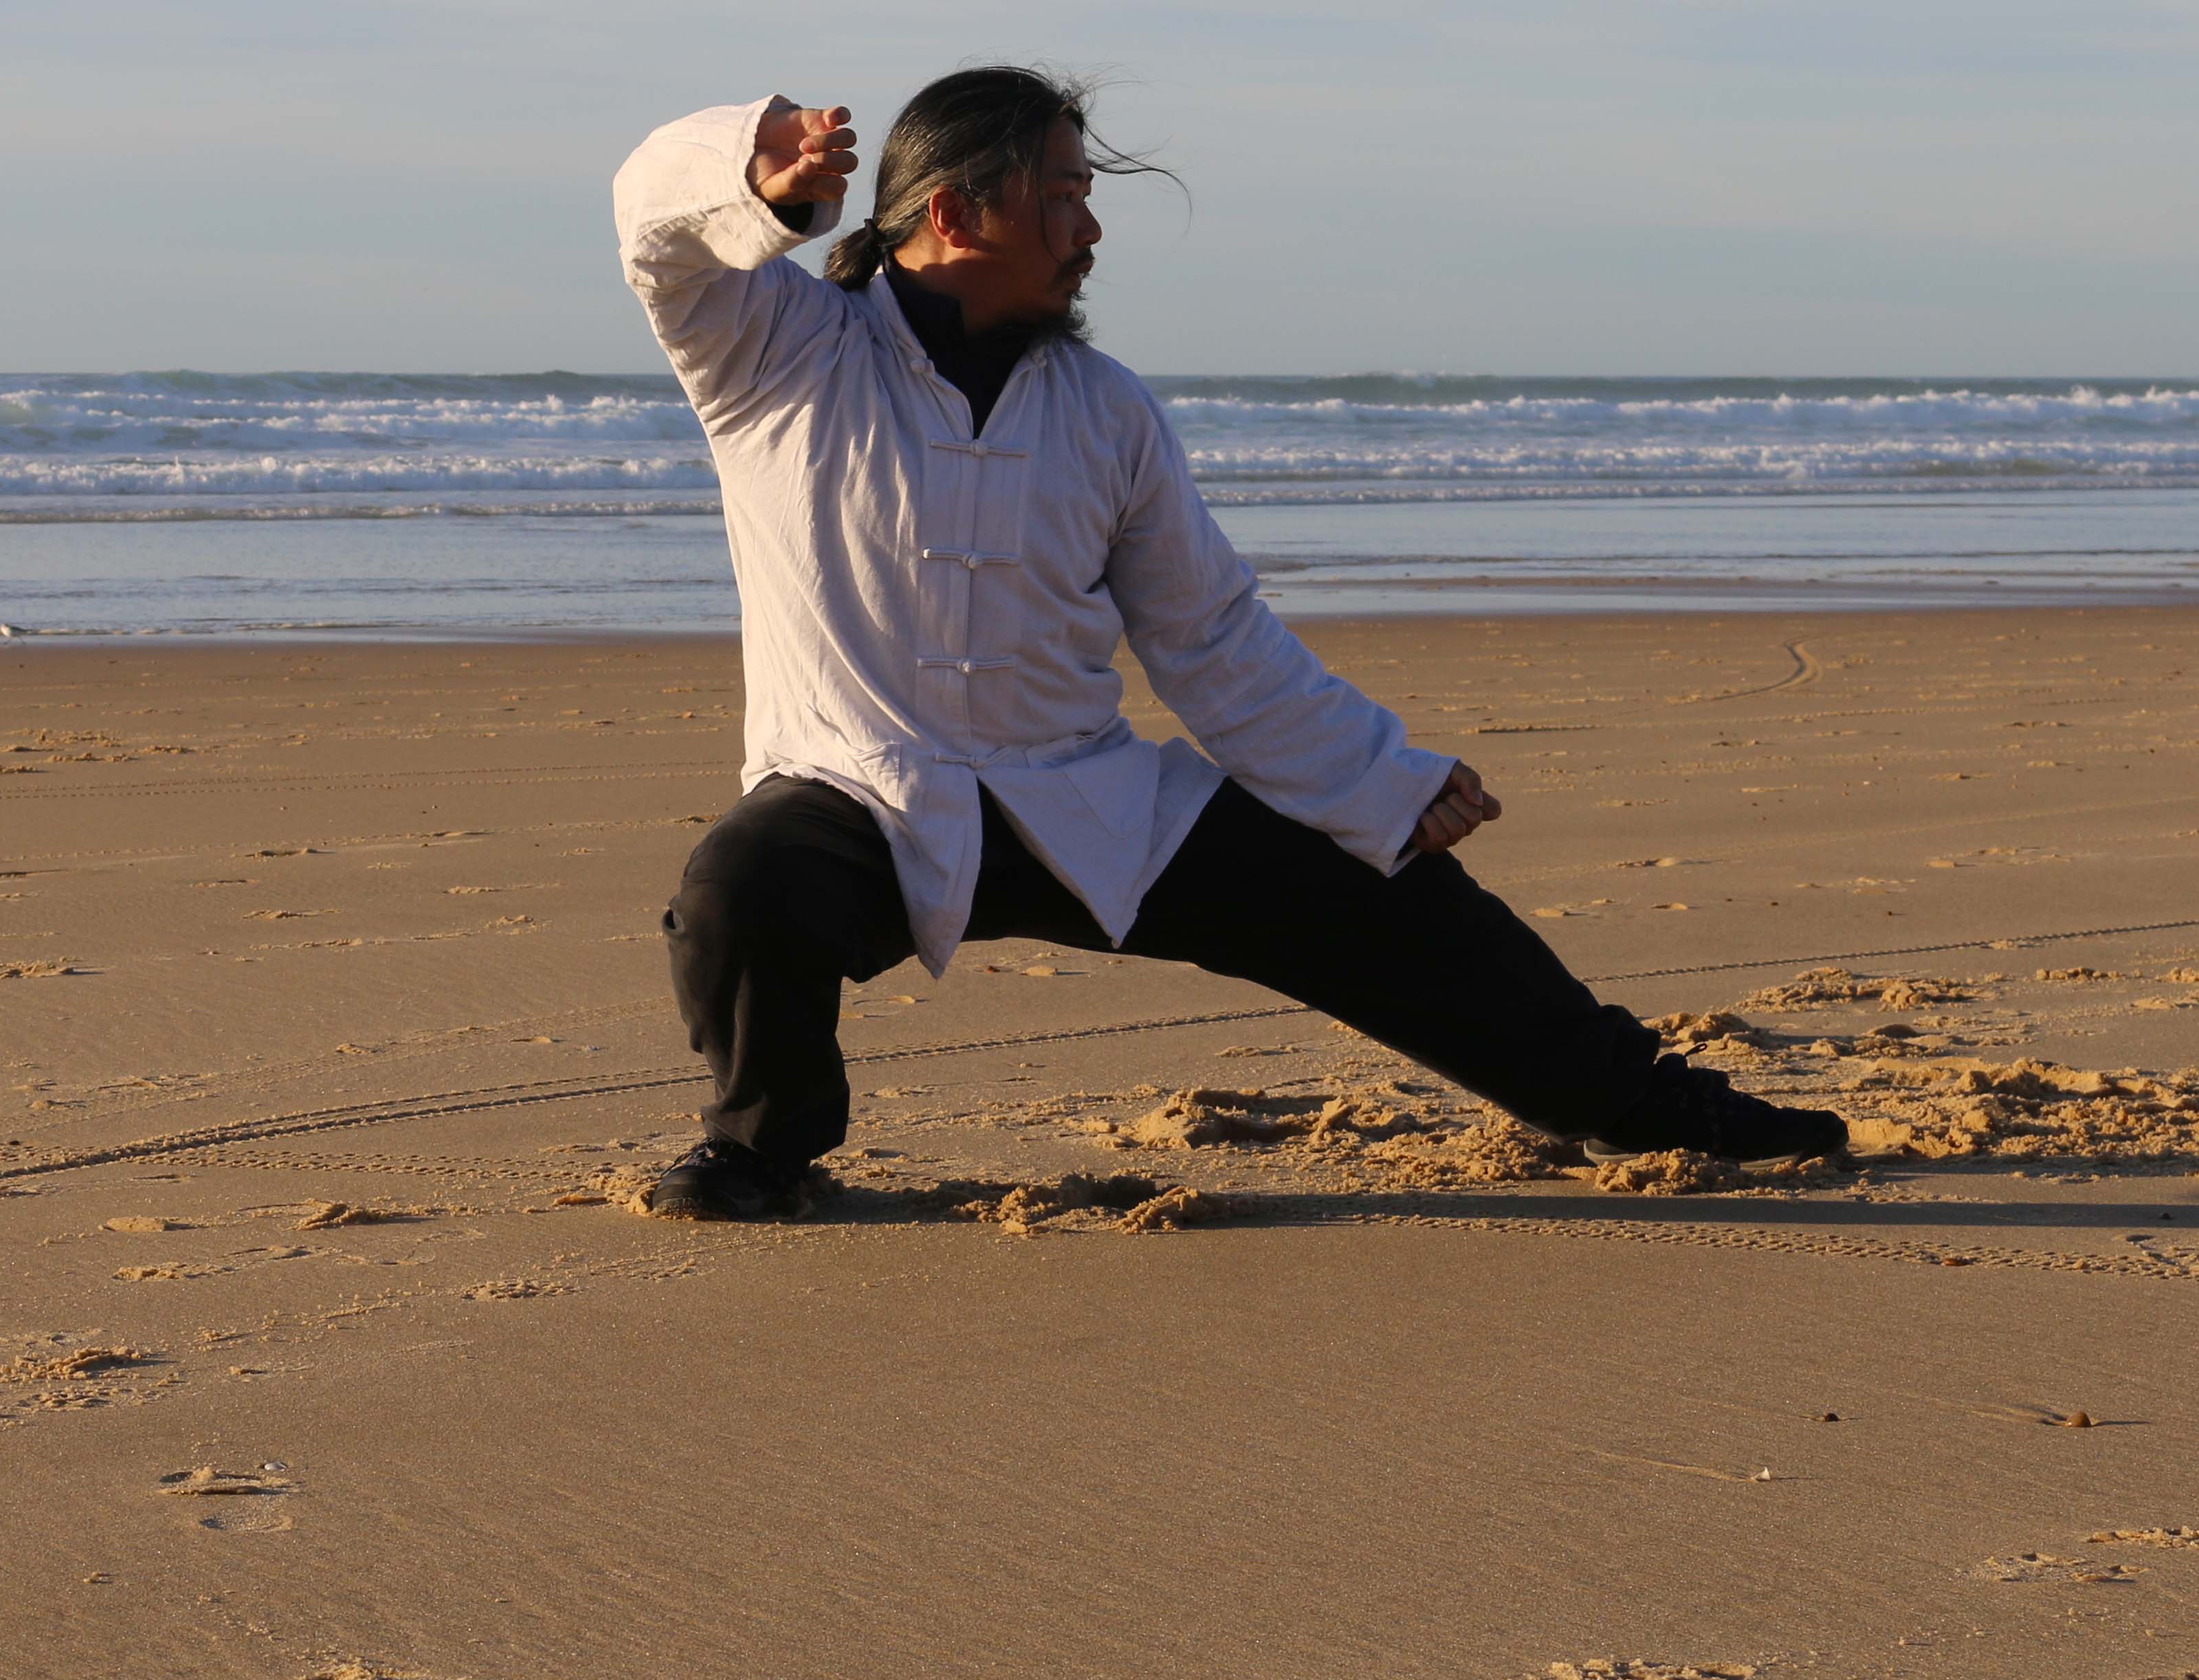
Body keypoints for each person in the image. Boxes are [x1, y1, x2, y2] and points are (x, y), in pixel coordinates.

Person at [612, 66, 1849, 1221]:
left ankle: (1638, 1104)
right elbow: (656, 239)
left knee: (1390, 893)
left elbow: (1210, 638)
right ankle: (766, 1149)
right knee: (742, 883)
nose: (1090, 233)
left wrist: (1379, 783)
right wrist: (749, 173)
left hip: (1083, 794)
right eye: (1065, 198)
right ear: (957, 212)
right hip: (860, 790)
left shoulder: (1108, 411)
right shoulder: (777, 355)